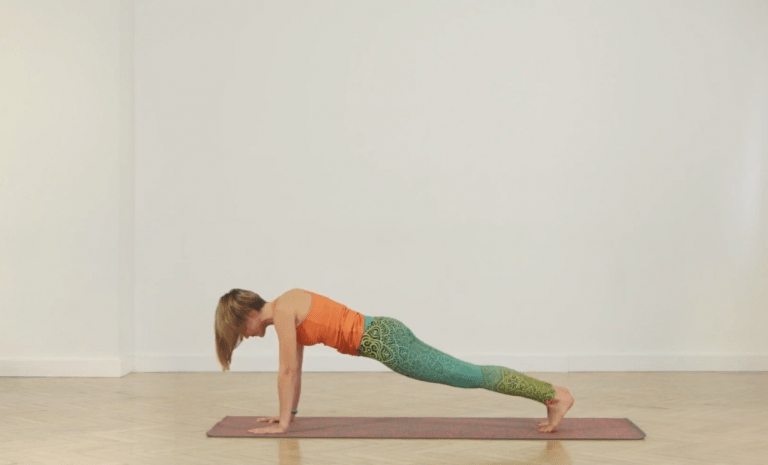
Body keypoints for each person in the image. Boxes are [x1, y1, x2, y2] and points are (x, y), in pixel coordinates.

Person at [214, 288, 574, 434]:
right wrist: (288, 414)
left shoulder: (283, 312)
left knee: (467, 375)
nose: (244, 336)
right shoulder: (288, 303)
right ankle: (549, 395)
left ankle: (553, 395)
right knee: (465, 373)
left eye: (240, 330)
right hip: (384, 333)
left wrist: (282, 426)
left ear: (249, 313)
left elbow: (287, 370)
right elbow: (296, 370)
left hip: (387, 342)